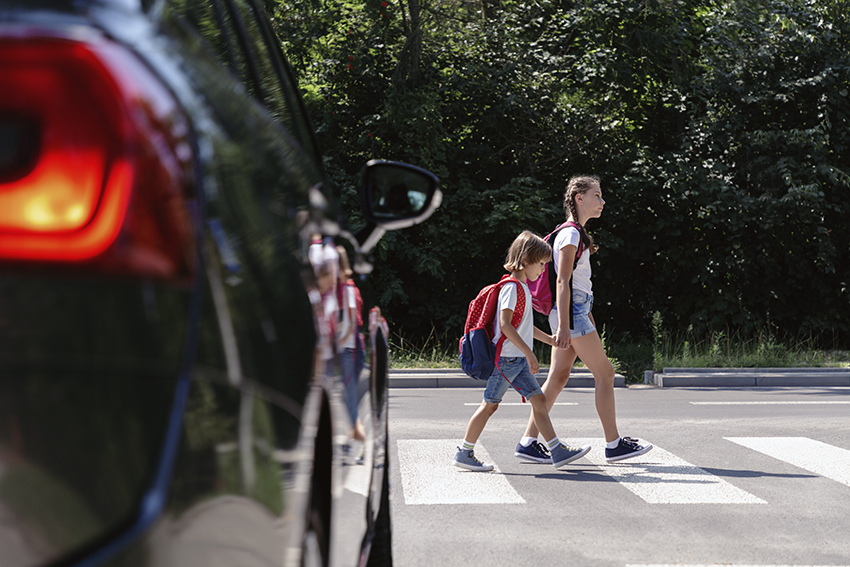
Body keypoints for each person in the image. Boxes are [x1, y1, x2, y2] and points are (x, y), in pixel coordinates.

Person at [514, 175, 653, 464]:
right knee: (605, 374)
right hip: (571, 313)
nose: (602, 201)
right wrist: (566, 325)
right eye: (597, 195)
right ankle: (614, 444)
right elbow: (563, 282)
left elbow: (576, 283)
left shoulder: (574, 234)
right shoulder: (571, 234)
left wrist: (581, 315)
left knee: (558, 376)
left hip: (575, 311)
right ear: (579, 198)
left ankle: (528, 442)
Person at [453, 231, 592, 472]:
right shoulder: (511, 287)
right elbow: (506, 325)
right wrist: (529, 353)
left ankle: (556, 450)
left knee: (539, 400)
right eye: (540, 264)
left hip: (514, 360)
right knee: (490, 405)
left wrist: (549, 339)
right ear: (525, 259)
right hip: (507, 360)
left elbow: (524, 326)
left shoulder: (522, 288)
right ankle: (465, 452)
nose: (542, 270)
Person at [336, 246, 366, 445]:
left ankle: (356, 440)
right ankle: (354, 439)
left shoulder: (346, 289)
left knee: (349, 399)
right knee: (348, 398)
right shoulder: (347, 288)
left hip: (347, 348)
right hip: (350, 348)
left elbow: (351, 322)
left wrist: (336, 340)